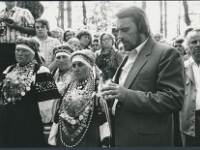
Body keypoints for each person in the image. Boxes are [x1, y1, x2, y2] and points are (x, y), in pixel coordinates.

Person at [101, 6, 185, 147]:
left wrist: (126, 95)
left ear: (142, 28)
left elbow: (173, 100)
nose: (119, 36)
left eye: (125, 30)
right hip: (120, 139)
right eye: (117, 30)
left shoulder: (166, 53)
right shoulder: (129, 55)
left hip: (147, 142)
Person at [0, 37, 61, 147]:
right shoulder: (8, 70)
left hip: (29, 122)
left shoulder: (41, 71)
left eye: (24, 50)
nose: (19, 53)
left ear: (33, 53)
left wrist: (47, 128)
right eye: (17, 50)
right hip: (7, 121)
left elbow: (48, 102)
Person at [51, 50, 101, 147]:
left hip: (88, 136)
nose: (76, 69)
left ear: (90, 67)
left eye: (80, 65)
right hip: (65, 135)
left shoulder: (98, 88)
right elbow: (59, 113)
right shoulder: (68, 87)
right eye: (73, 65)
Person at [0, 1, 35, 74]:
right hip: (2, 48)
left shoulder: (24, 12)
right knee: (3, 74)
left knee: (19, 74)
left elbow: (34, 31)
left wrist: (16, 27)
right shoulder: (1, 13)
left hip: (19, 48)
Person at [180, 28, 200, 147]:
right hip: (190, 123)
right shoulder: (181, 68)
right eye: (194, 42)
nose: (198, 45)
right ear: (187, 46)